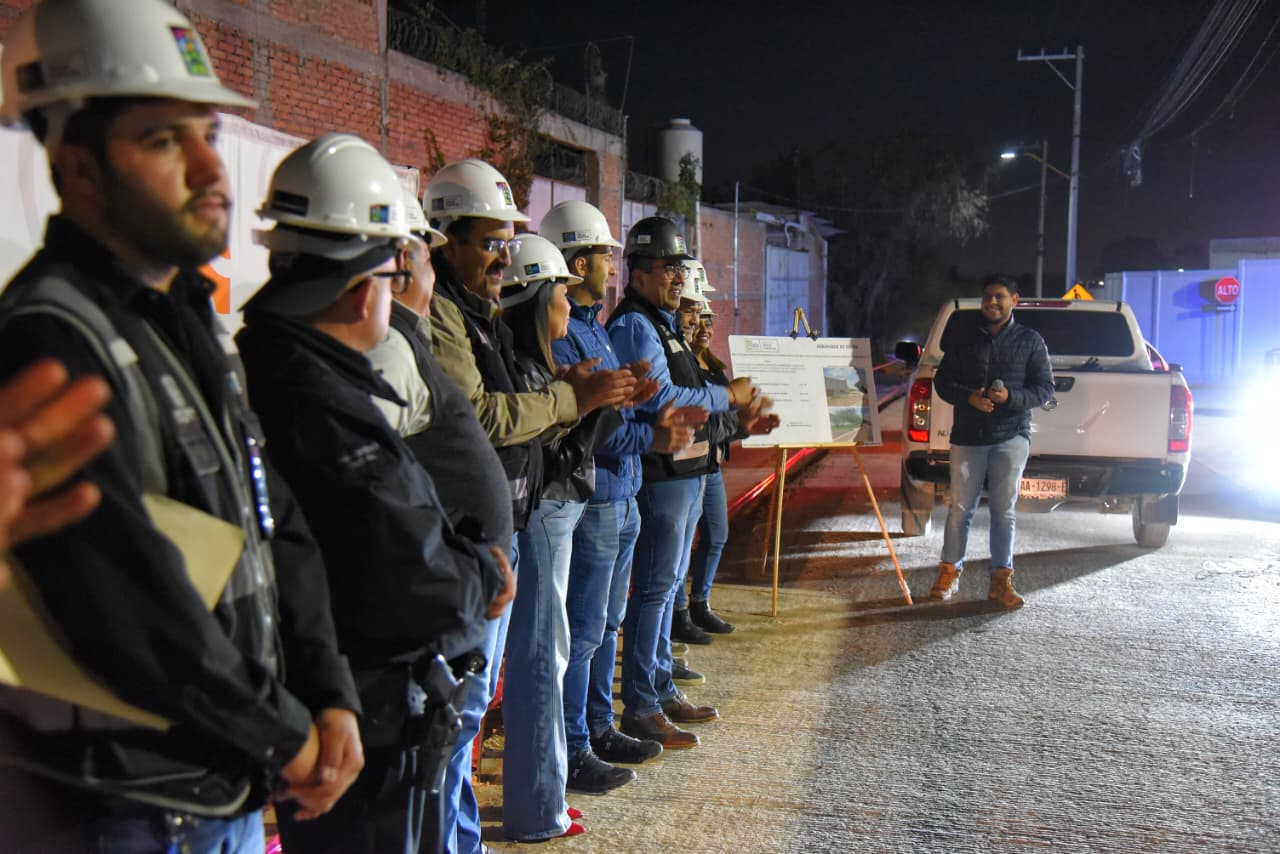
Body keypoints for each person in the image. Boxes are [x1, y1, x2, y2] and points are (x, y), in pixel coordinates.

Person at [0, 2, 362, 850]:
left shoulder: (185, 311)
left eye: (206, 130)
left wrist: (328, 687)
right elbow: (126, 599)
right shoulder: (50, 337)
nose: (212, 167)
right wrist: (286, 733)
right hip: (121, 809)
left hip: (219, 776)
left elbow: (269, 515)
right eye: (165, 141)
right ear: (78, 167)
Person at [235, 134, 511, 854]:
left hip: (352, 703)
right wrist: (479, 571)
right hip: (369, 719)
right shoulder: (316, 396)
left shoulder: (283, 363)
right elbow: (398, 552)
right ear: (365, 289)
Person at [423, 159, 636, 854]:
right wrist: (575, 399)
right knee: (473, 706)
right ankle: (518, 812)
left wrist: (576, 401)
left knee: (479, 702)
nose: (499, 259)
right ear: (441, 237)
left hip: (499, 534)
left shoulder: (477, 319)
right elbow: (481, 419)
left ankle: (474, 834)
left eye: (506, 246)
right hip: (472, 540)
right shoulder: (446, 320)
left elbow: (520, 419)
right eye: (488, 242)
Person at [543, 201, 703, 786]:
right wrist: (654, 429)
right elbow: (592, 428)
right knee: (583, 634)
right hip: (600, 495)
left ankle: (598, 726)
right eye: (605, 255)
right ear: (577, 259)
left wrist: (649, 423)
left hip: (625, 491)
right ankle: (575, 746)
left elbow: (622, 408)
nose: (612, 265)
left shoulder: (591, 328)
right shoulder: (569, 335)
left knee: (605, 626)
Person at [606, 216, 761, 749]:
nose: (677, 278)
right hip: (661, 475)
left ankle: (661, 687)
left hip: (688, 471)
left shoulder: (663, 322)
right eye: (668, 268)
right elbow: (662, 399)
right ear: (639, 271)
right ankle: (642, 706)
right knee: (652, 590)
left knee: (668, 585)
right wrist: (727, 398)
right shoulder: (634, 326)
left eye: (680, 268)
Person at [499, 233, 631, 841]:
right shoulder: (524, 370)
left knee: (545, 657)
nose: (567, 306)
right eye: (559, 295)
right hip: (545, 515)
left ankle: (543, 794)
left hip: (550, 511)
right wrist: (588, 404)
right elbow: (544, 454)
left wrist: (592, 404)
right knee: (542, 660)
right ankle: (537, 808)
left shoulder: (533, 365)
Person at [929, 275, 1055, 609]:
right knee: (960, 510)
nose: (992, 303)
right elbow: (942, 382)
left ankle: (1001, 582)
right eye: (987, 297)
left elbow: (1044, 389)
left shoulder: (1030, 341)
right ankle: (948, 573)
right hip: (968, 438)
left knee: (1004, 512)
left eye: (1000, 297)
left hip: (1011, 437)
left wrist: (1010, 396)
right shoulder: (964, 339)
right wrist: (969, 398)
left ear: (1014, 300)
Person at [683, 278, 737, 636]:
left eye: (710, 320)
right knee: (681, 545)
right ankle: (678, 613)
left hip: (712, 466)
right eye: (698, 318)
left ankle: (700, 602)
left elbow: (728, 419)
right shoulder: (684, 366)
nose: (705, 327)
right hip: (689, 467)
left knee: (717, 535)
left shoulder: (715, 368)